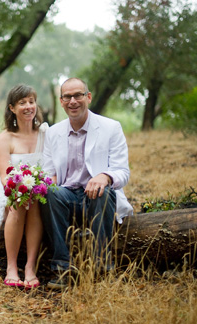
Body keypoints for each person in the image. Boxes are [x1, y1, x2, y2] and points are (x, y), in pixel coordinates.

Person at [41, 77, 133, 289]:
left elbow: (123, 172)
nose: (73, 101)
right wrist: (43, 185)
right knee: (49, 192)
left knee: (103, 190)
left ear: (88, 97)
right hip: (67, 197)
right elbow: (49, 173)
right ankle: (62, 268)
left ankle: (101, 267)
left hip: (98, 199)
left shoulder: (111, 128)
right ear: (61, 101)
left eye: (78, 95)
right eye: (67, 97)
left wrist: (105, 176)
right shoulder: (53, 133)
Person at [0, 84, 48, 289]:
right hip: (10, 187)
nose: (28, 106)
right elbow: (4, 175)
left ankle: (30, 267)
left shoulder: (45, 134)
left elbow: (51, 167)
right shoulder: (5, 138)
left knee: (34, 201)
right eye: (22, 103)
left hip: (40, 188)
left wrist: (38, 186)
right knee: (20, 203)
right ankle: (11, 267)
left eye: (31, 101)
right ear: (12, 108)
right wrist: (17, 191)